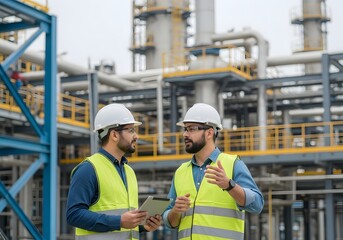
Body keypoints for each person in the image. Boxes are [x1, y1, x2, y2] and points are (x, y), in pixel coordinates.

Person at [163, 103, 264, 239]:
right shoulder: (181, 172)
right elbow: (170, 222)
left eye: (192, 129)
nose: (185, 134)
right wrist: (175, 211)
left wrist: (229, 185)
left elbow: (257, 205)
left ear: (209, 132)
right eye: (185, 129)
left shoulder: (233, 164)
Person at [66, 103, 162, 239]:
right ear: (114, 135)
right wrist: (119, 222)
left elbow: (124, 219)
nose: (136, 136)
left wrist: (142, 225)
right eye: (131, 130)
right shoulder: (88, 169)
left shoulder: (129, 171)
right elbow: (74, 215)